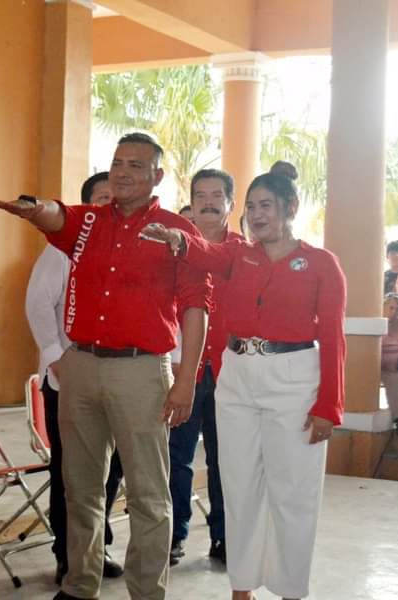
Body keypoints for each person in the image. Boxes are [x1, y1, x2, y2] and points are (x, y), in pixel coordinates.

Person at [0, 132, 210, 600]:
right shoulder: (89, 221)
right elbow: (57, 216)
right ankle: (79, 585)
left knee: (149, 495)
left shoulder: (178, 230)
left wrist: (187, 381)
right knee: (81, 489)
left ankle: (147, 592)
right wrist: (35, 210)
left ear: (157, 176)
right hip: (82, 368)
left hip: (142, 372)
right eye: (117, 162)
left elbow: (197, 307)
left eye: (137, 164)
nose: (123, 171)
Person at [141, 161, 346, 600]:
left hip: (293, 380)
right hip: (237, 377)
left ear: (290, 206)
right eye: (251, 206)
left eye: (266, 205)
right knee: (238, 485)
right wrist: (177, 236)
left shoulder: (321, 264)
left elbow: (332, 339)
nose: (256, 214)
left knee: (293, 491)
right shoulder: (239, 255)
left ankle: (291, 589)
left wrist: (328, 406)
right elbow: (202, 252)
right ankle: (242, 587)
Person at [25, 171, 124, 586]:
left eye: (112, 198)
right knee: (70, 472)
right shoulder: (64, 248)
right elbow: (37, 304)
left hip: (117, 379)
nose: (107, 206)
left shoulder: (127, 248)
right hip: (69, 379)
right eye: (99, 199)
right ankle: (69, 555)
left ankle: (97, 546)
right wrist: (55, 358)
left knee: (111, 469)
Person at [168, 169, 241, 566]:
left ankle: (224, 536)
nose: (209, 201)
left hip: (232, 375)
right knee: (176, 458)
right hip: (184, 373)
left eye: (217, 194)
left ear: (231, 203)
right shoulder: (173, 249)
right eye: (201, 195)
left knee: (224, 458)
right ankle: (175, 535)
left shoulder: (247, 253)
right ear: (191, 201)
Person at [380, 293, 398, 423]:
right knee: (393, 379)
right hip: (382, 368)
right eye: (391, 308)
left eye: (397, 309)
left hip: (394, 366)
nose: (394, 312)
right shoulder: (375, 325)